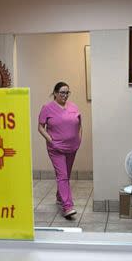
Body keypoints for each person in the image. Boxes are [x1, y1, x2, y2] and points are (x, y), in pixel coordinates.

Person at [38, 82, 82, 219]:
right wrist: (51, 141)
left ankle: (59, 196)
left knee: (66, 175)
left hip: (72, 147)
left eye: (67, 92)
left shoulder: (74, 106)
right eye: (62, 92)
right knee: (62, 176)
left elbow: (79, 124)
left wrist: (79, 138)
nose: (65, 95)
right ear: (55, 93)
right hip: (56, 148)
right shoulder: (47, 108)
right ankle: (68, 206)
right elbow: (40, 127)